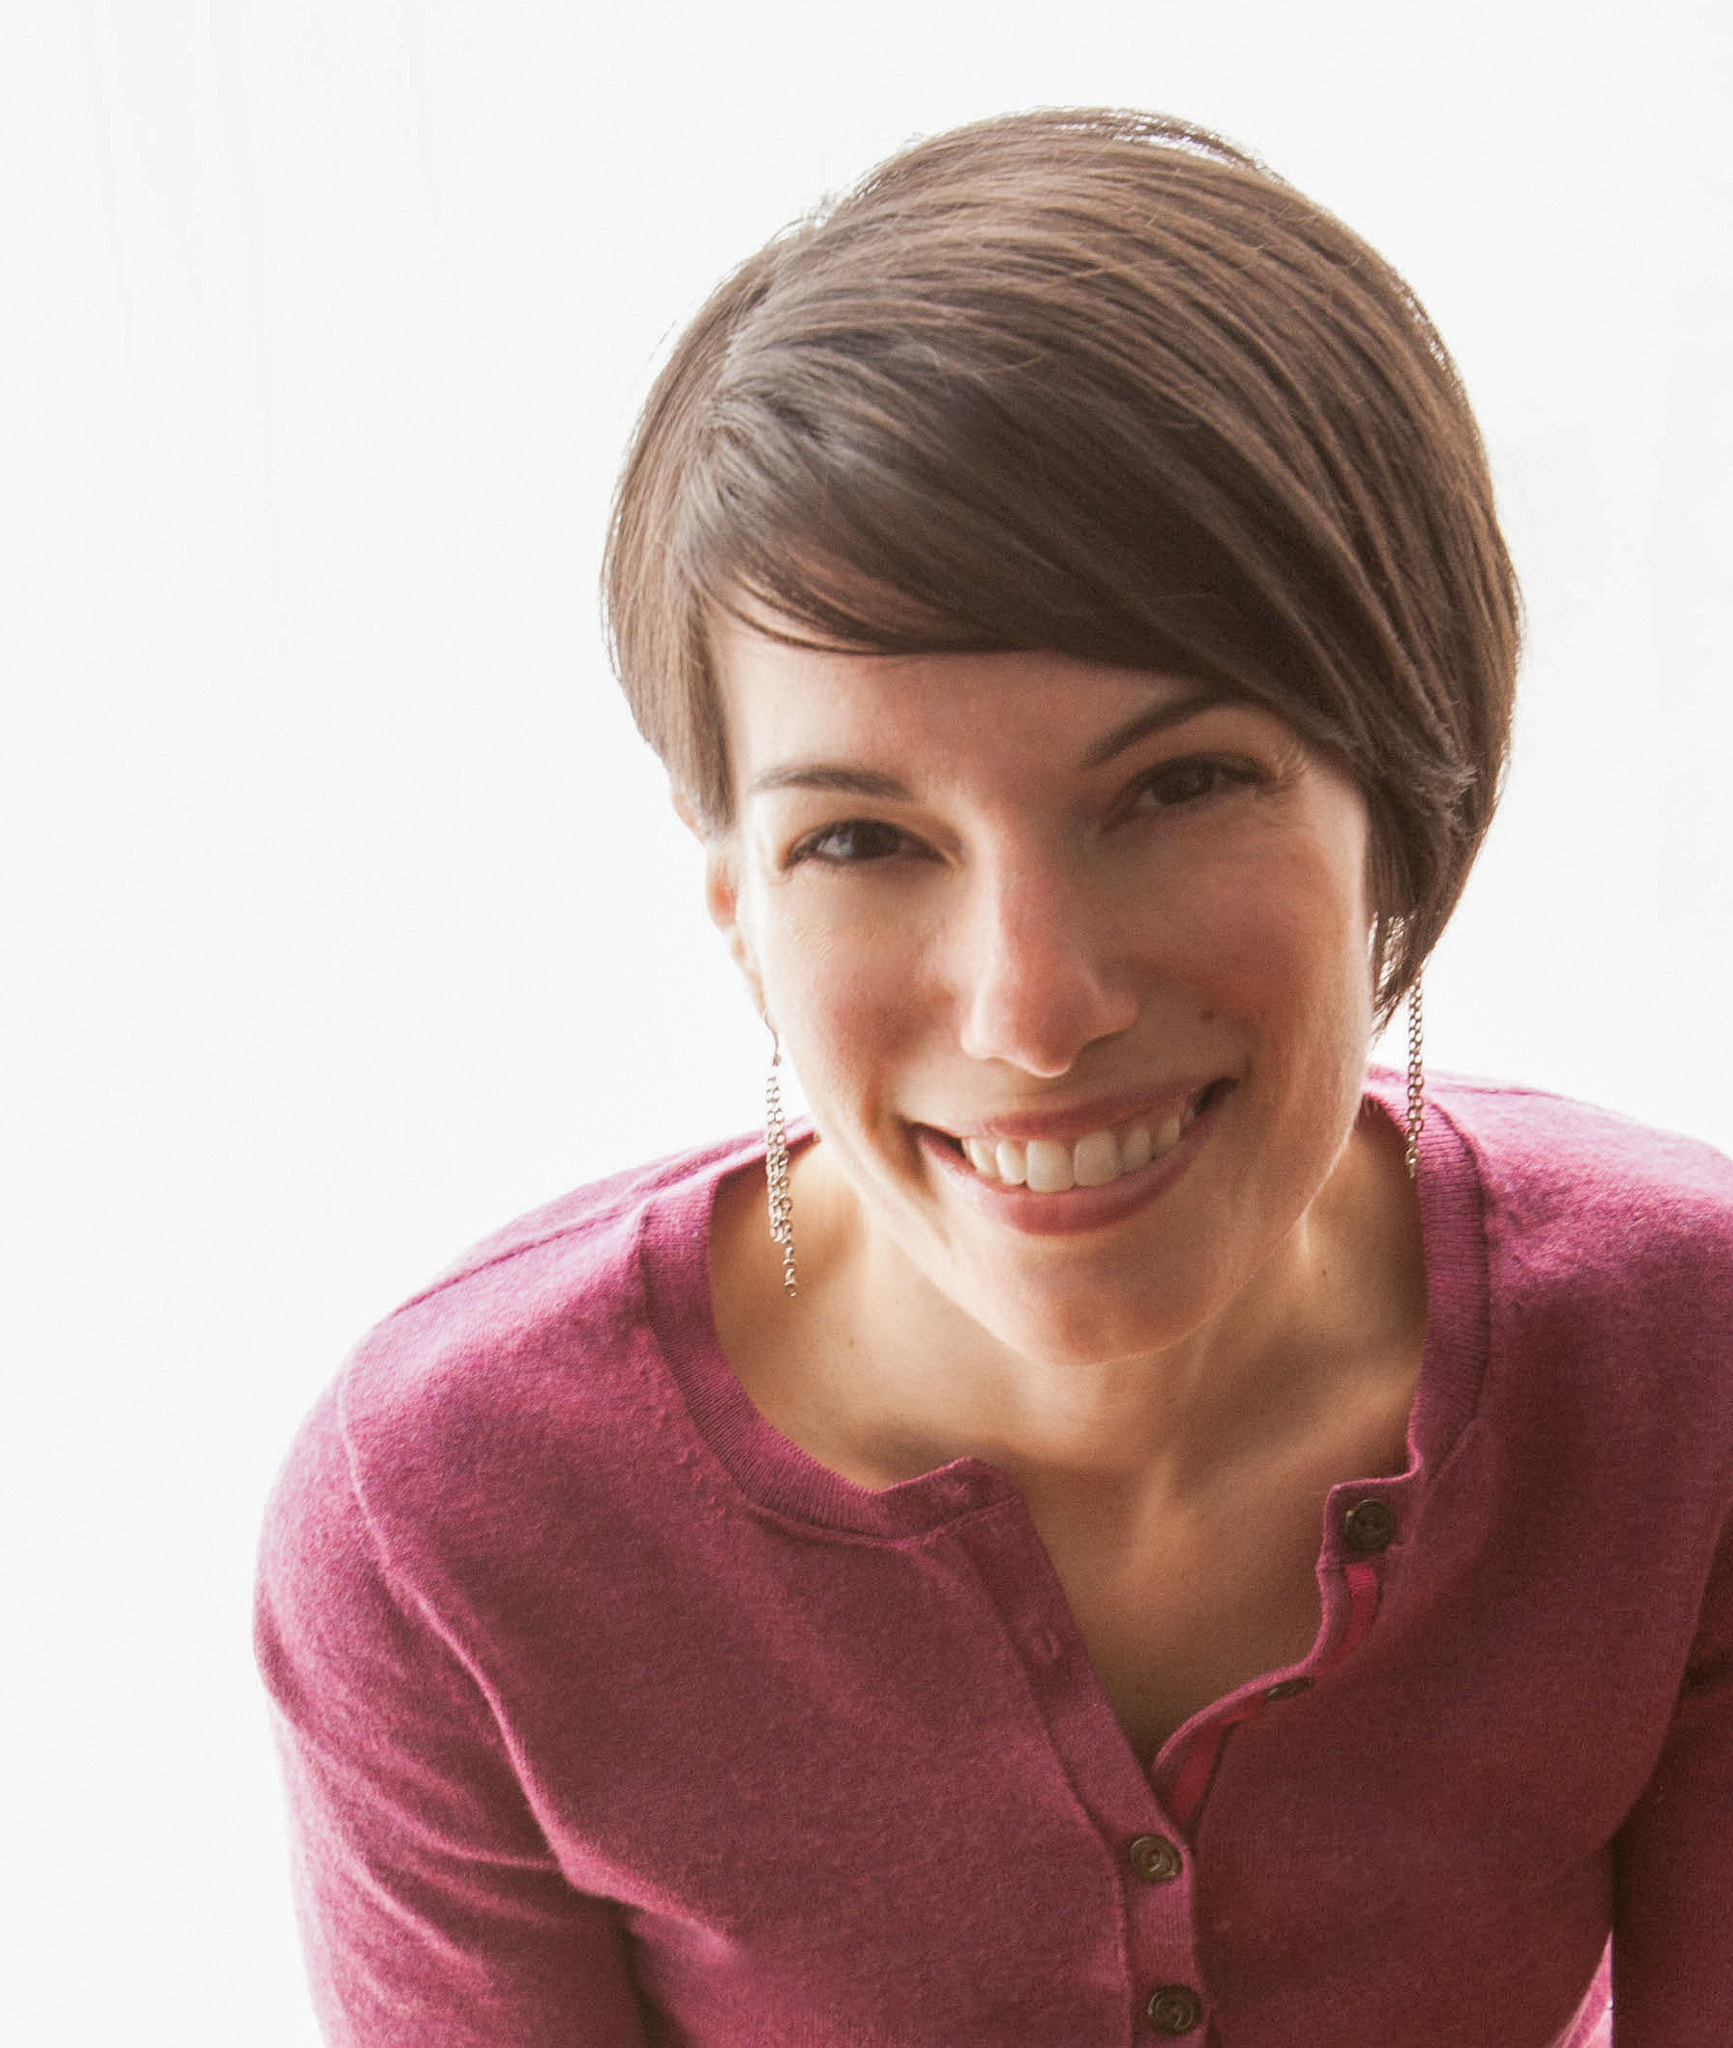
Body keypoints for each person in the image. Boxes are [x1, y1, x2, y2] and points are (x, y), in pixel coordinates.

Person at [255, 109, 1733, 2046]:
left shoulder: (1684, 1374)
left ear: (1406, 792)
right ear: (737, 908)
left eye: (1182, 785)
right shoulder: (447, 1525)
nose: (1034, 1008)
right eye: (864, 840)